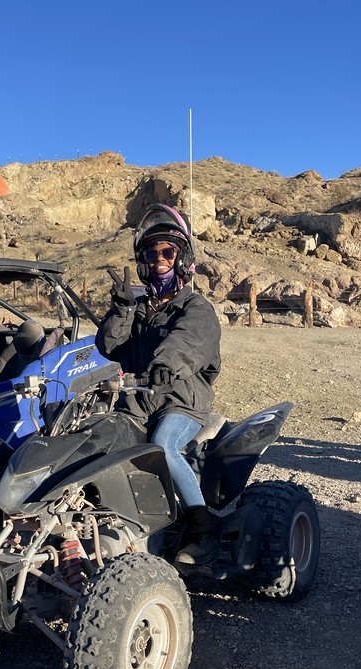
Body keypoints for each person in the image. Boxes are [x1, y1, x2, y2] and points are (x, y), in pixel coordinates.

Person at [95, 203, 222, 565]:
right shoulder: (138, 309)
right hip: (138, 401)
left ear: (183, 259)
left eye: (168, 252)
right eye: (152, 254)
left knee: (163, 445)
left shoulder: (196, 308)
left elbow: (187, 342)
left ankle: (202, 531)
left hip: (181, 400)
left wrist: (165, 365)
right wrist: (121, 311)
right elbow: (109, 348)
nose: (160, 260)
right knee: (98, 439)